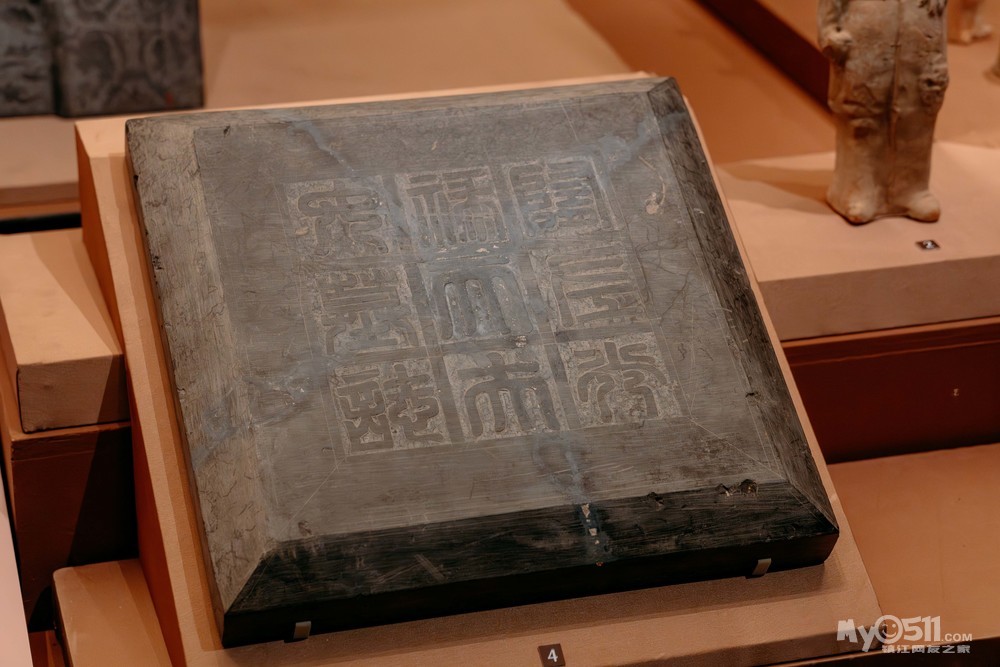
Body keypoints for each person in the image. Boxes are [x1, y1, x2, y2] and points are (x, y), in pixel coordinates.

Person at [819, 0, 949, 223]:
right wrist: (828, 30)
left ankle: (912, 190)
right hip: (866, 39)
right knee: (864, 118)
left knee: (916, 118)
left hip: (921, 36)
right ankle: (860, 188)